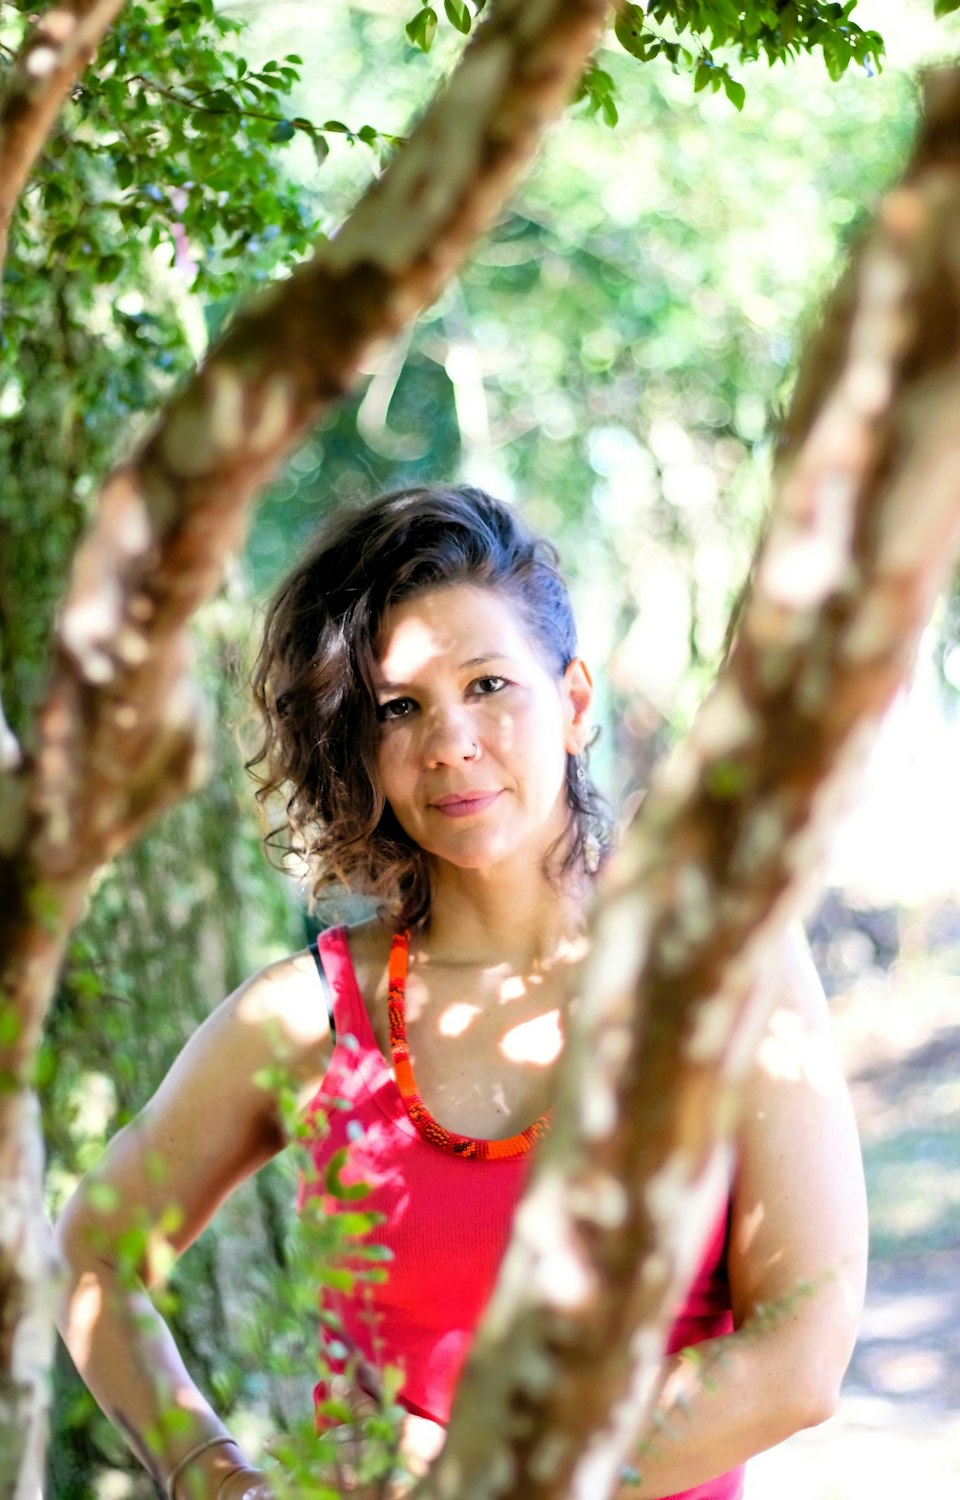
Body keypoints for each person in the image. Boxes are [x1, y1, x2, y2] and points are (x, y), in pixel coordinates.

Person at [56, 485, 868, 1500]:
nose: (449, 744)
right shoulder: (308, 1017)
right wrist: (208, 1472)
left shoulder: (724, 963)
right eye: (401, 708)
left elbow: (801, 1353)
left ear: (572, 703)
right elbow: (90, 1254)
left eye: (488, 686)